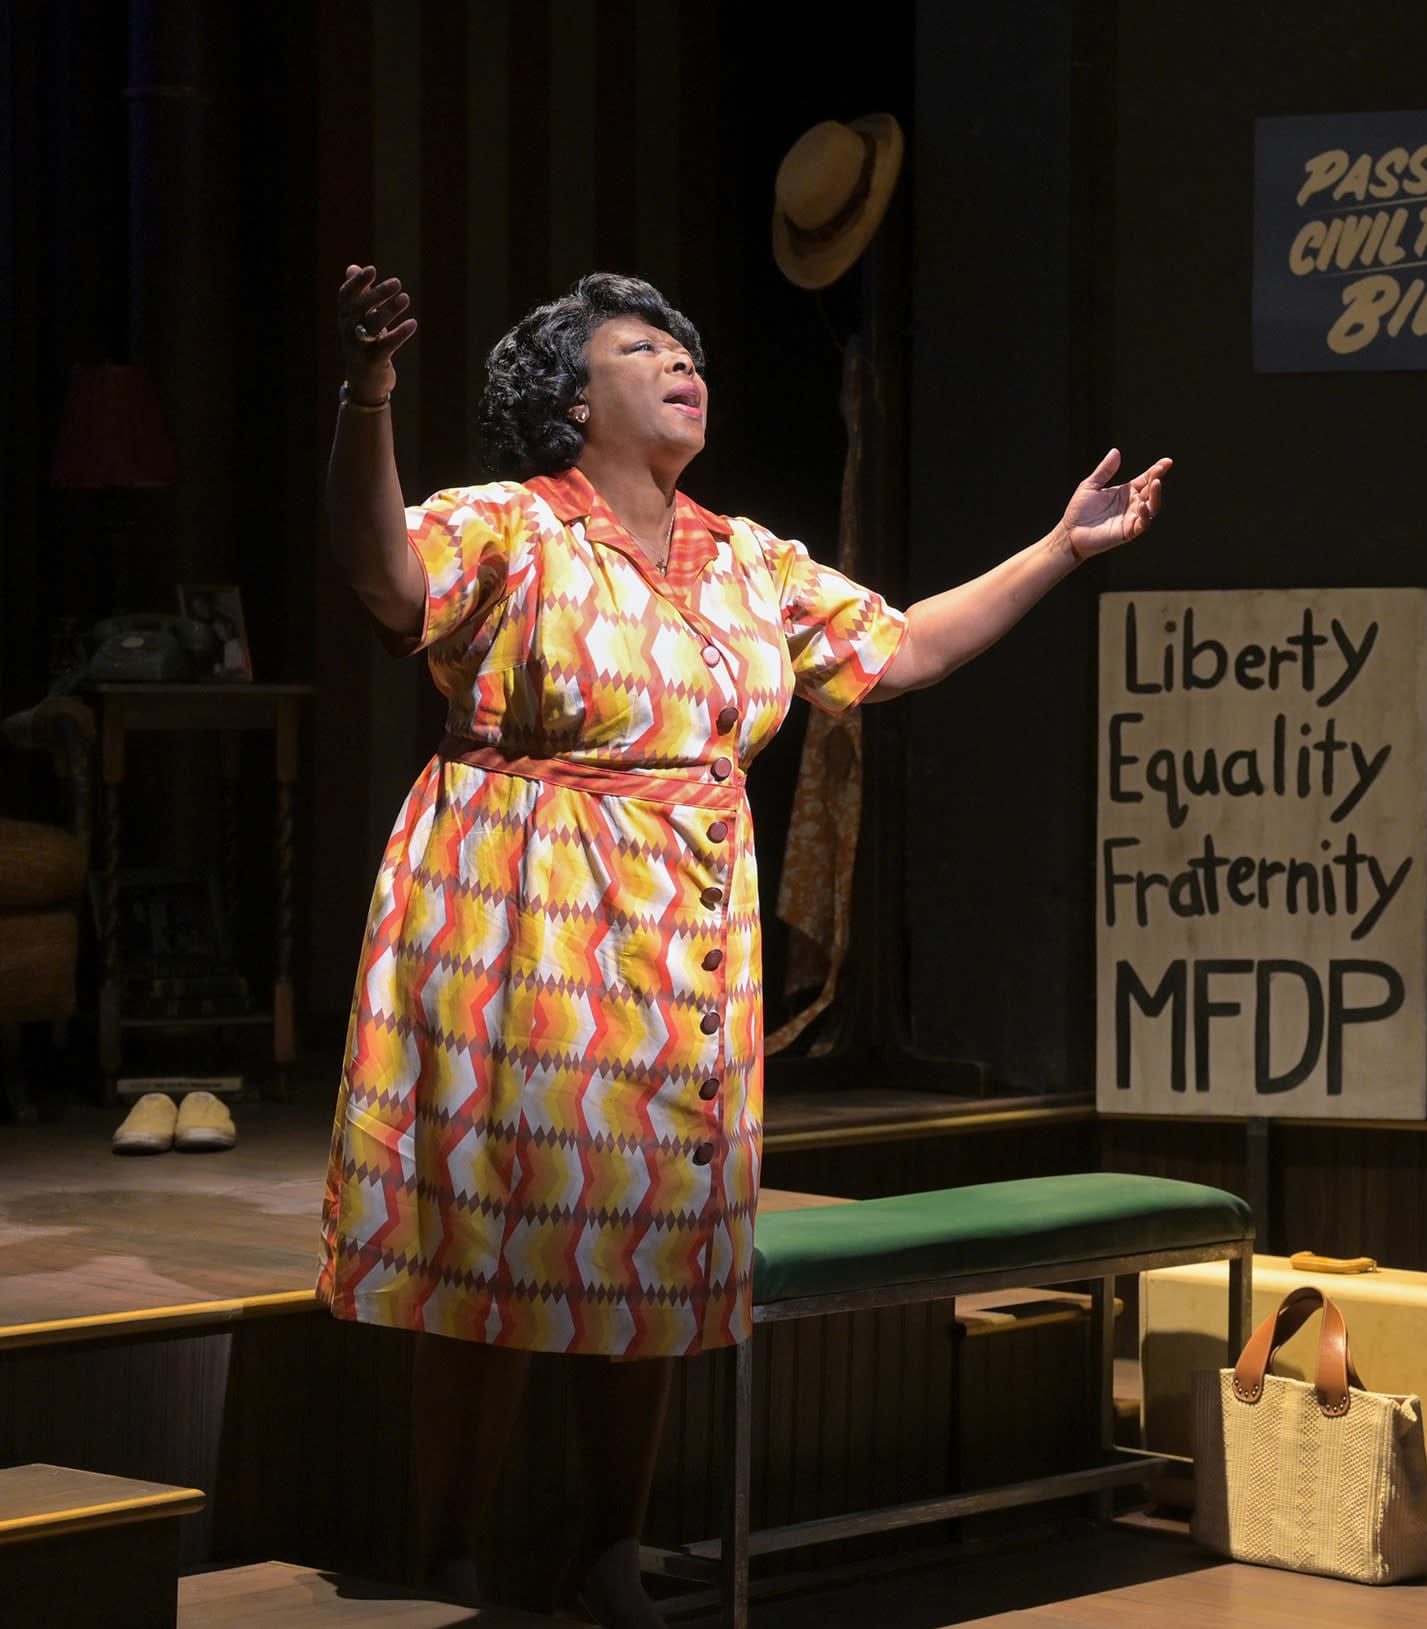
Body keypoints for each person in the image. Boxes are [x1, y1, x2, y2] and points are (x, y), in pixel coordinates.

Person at [316, 266, 1168, 1626]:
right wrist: (370, 393)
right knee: (499, 1234)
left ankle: (609, 1551)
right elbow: (383, 576)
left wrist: (1061, 549)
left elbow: (899, 652)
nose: (682, 363)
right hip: (519, 909)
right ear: (569, 398)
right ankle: (449, 1558)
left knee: (653, 1231)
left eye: (688, 349)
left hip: (684, 929)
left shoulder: (747, 558)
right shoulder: (510, 525)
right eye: (640, 348)